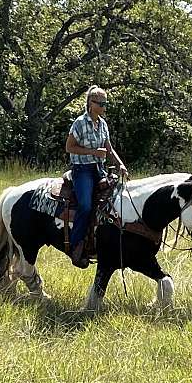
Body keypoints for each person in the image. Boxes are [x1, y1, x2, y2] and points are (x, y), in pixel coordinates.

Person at [65, 85, 128, 268]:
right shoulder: (79, 123)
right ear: (91, 103)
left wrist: (120, 164)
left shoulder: (102, 124)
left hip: (99, 168)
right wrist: (93, 152)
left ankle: (104, 240)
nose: (103, 107)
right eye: (100, 103)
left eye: (105, 103)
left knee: (113, 200)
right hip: (82, 169)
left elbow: (108, 148)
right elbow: (69, 147)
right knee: (85, 205)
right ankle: (76, 244)